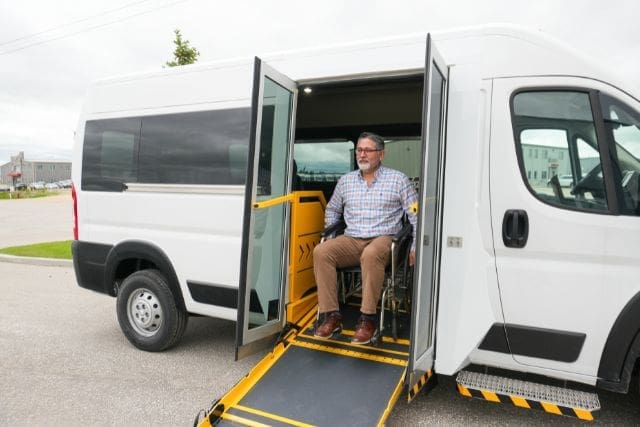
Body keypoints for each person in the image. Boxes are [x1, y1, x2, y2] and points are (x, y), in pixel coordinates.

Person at [313, 131, 418, 344]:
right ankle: (331, 316)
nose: (362, 154)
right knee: (321, 251)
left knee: (370, 254)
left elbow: (415, 215)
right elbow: (332, 209)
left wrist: (415, 246)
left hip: (384, 239)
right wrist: (331, 235)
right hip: (352, 239)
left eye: (368, 150)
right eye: (359, 150)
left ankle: (367, 319)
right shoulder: (346, 181)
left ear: (381, 154)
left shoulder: (398, 179)